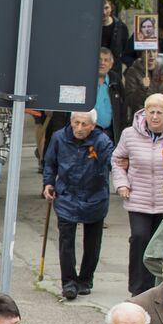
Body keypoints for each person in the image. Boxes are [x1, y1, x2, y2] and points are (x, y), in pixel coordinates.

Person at [113, 94, 163, 295]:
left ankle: (161, 288)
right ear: (144, 112)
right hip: (138, 199)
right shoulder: (129, 134)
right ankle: (138, 290)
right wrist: (122, 184)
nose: (155, 116)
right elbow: (117, 160)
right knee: (140, 238)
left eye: (160, 112)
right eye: (151, 111)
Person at [43, 109, 114, 300]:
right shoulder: (59, 137)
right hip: (67, 195)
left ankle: (85, 280)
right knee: (66, 241)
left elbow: (112, 162)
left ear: (93, 126)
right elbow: (50, 163)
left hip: (94, 196)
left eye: (84, 124)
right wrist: (48, 183)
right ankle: (69, 282)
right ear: (71, 121)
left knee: (92, 242)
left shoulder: (102, 141)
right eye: (76, 123)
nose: (79, 128)